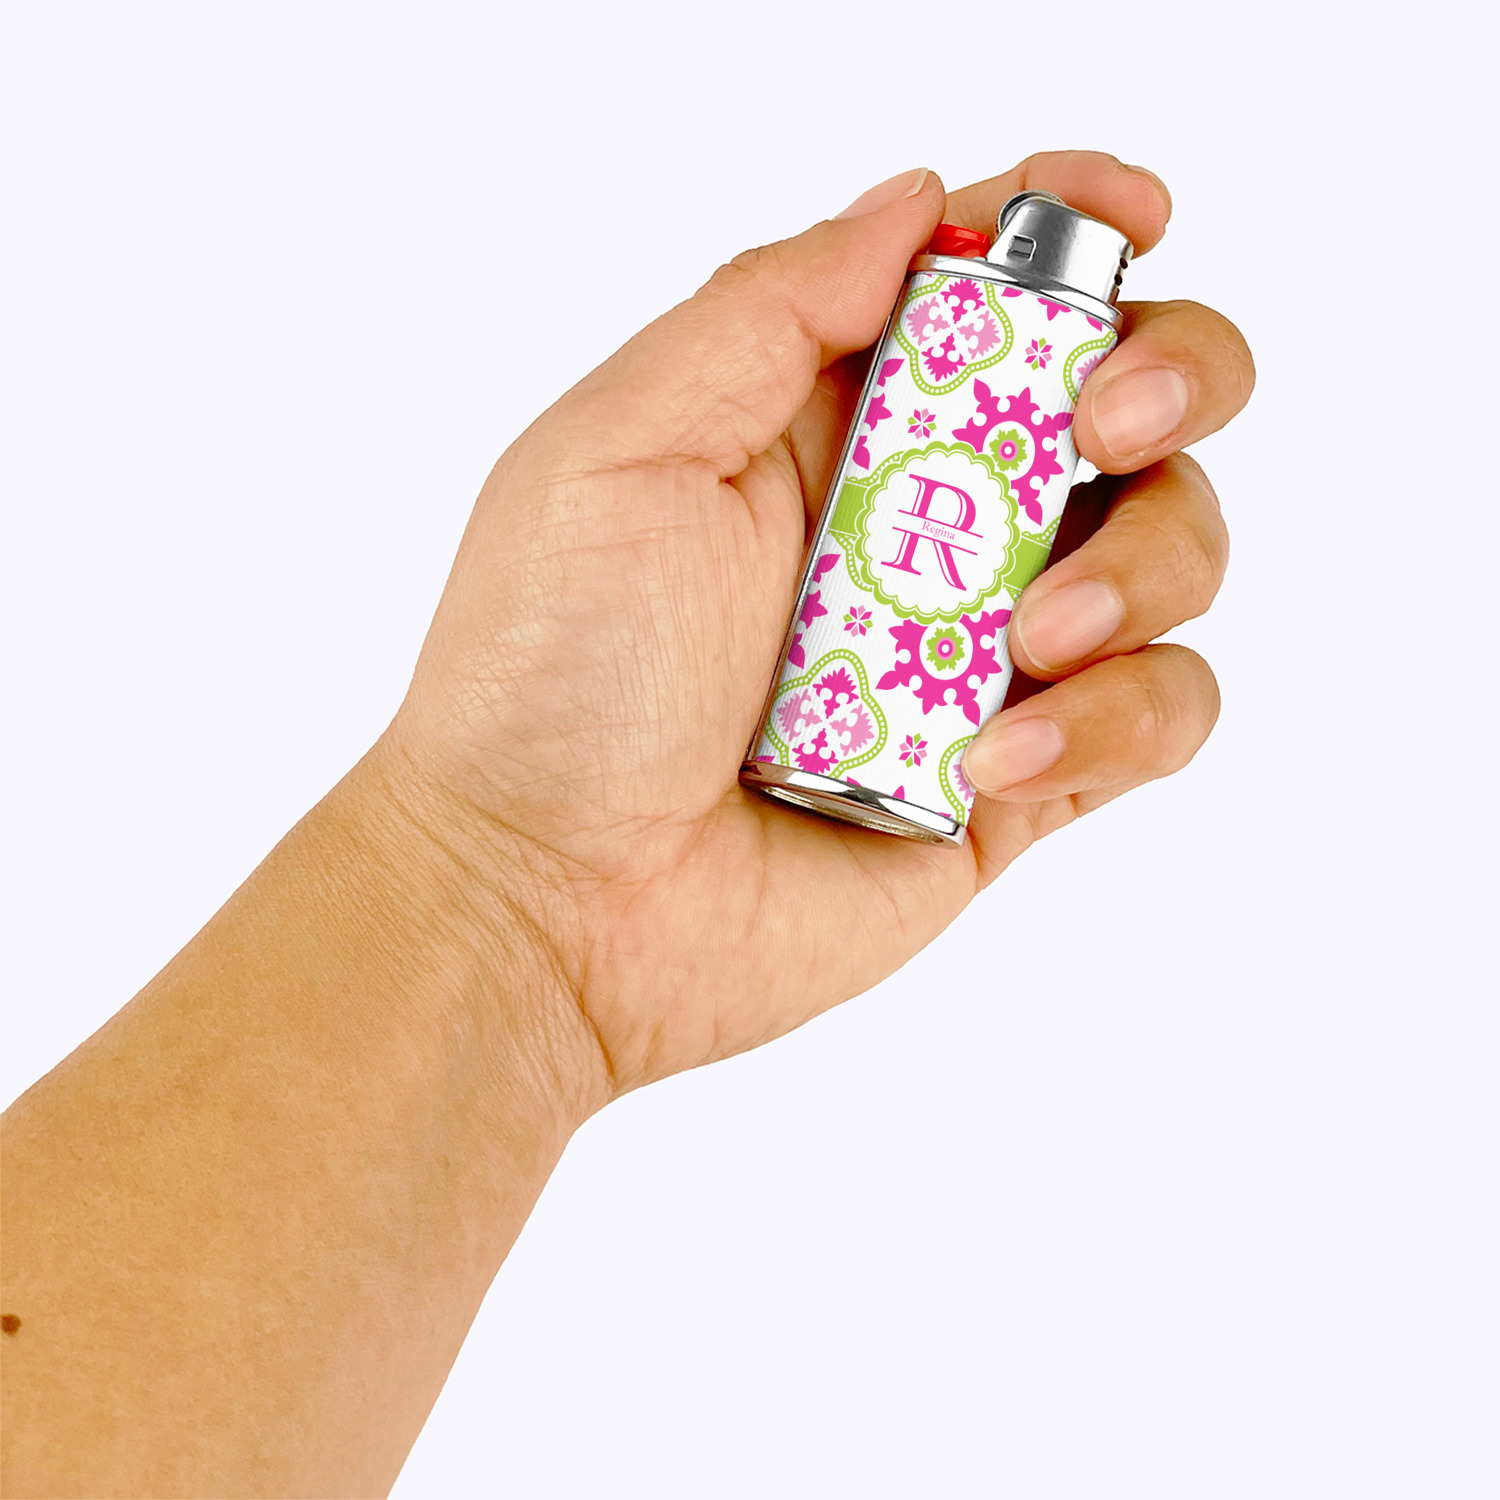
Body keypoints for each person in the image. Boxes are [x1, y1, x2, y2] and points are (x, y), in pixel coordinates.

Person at [0, 153, 1252, 1498]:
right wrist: (501, 873)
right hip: (821, 750)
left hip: (879, 769)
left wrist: (510, 902)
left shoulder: (1029, 338)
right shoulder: (956, 311)